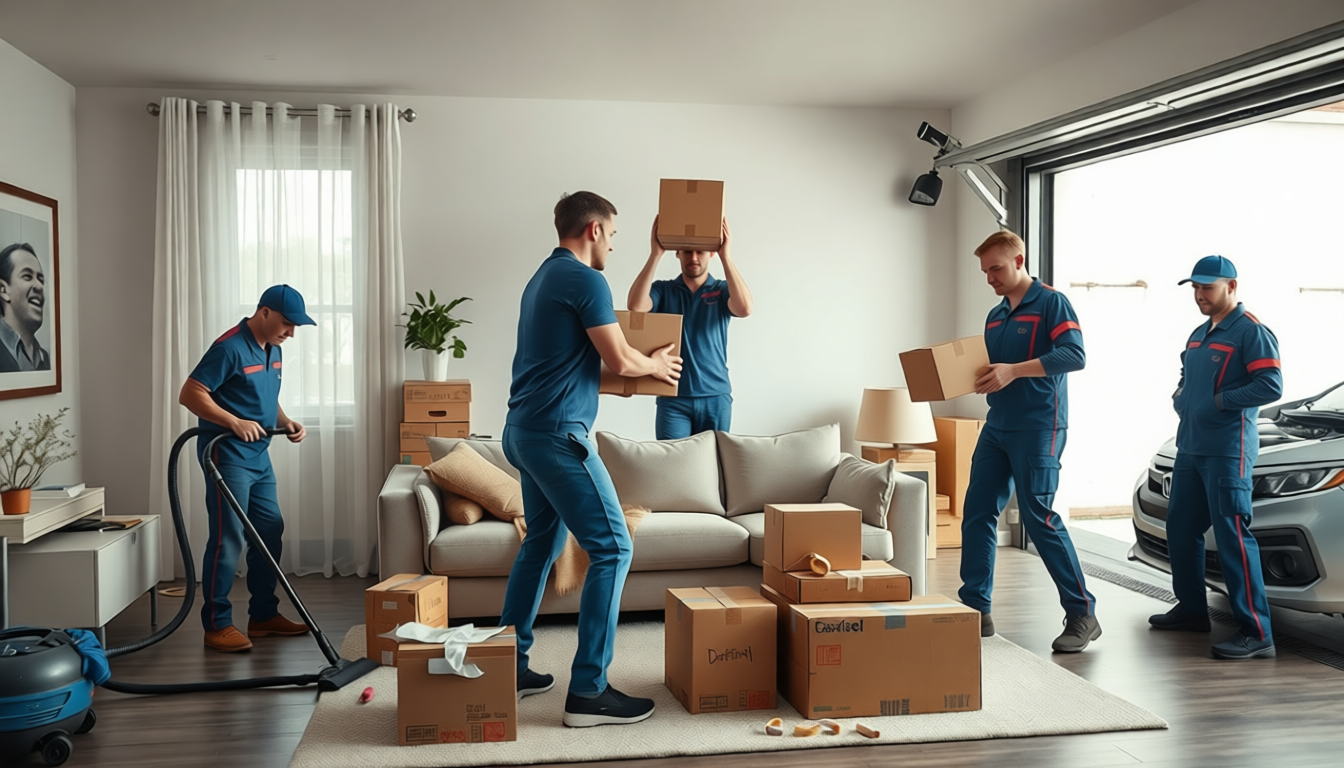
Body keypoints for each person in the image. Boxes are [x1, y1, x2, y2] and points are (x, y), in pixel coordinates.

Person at [501, 191, 681, 727]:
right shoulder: (585, 280)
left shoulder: (542, 279)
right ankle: (589, 691)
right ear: (595, 229)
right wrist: (652, 364)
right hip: (557, 437)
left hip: (525, 431)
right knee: (613, 547)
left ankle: (508, 665)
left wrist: (641, 374)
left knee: (542, 542)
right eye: (614, 234)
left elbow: (583, 371)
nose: (613, 245)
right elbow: (620, 356)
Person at [960, 229, 1100, 652]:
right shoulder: (996, 315)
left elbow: (1074, 355)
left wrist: (1013, 371)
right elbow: (994, 369)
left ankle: (1082, 613)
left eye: (996, 268)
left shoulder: (1051, 303)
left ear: (1019, 261)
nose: (990, 278)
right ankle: (975, 609)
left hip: (1040, 427)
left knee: (1039, 517)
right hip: (998, 425)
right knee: (978, 511)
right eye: (985, 272)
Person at [1150, 255, 1280, 660]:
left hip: (1228, 450)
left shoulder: (1251, 332)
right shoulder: (1198, 334)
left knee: (1232, 537)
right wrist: (1182, 399)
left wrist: (1220, 401)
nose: (1200, 294)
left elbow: (1270, 385)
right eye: (1195, 287)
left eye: (1208, 287)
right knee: (1180, 528)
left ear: (1232, 287)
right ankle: (1191, 610)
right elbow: (1187, 379)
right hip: (1190, 446)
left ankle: (1257, 632)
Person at [178, 284, 316, 653]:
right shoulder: (229, 347)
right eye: (287, 323)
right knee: (228, 539)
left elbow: (266, 399)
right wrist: (233, 421)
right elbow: (190, 393)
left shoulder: (274, 349)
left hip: (259, 457)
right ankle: (217, 624)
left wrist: (286, 421)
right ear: (264, 313)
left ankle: (263, 615)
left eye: (296, 327)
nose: (291, 332)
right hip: (227, 455)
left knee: (270, 530)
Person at [627, 217, 752, 439]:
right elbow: (636, 307)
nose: (693, 257)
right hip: (673, 399)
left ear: (711, 253)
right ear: (677, 253)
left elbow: (744, 309)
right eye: (686, 251)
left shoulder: (722, 290)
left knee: (715, 468)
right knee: (672, 469)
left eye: (700, 252)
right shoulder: (664, 290)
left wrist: (726, 256)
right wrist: (655, 254)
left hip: (715, 397)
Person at [0, 243, 51, 372]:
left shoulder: (45, 358)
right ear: (3, 290)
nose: (39, 286)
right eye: (27, 276)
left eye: (41, 279)